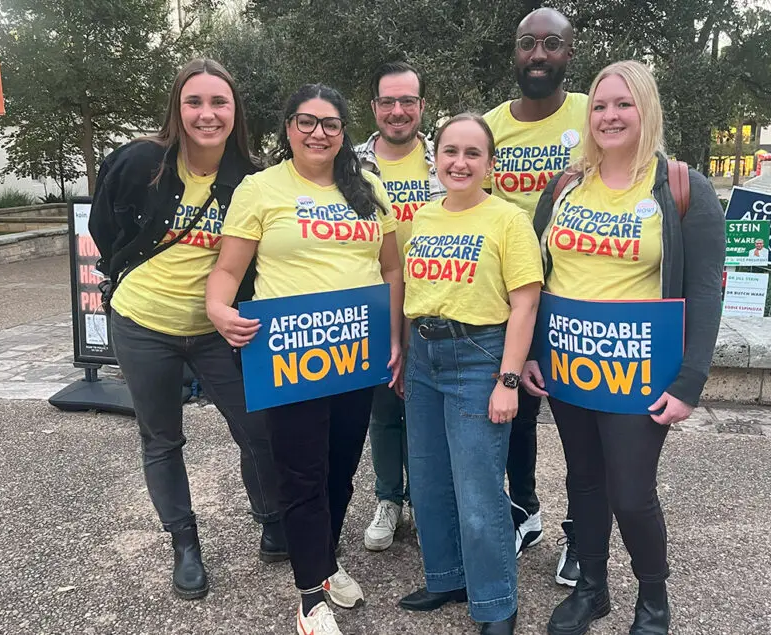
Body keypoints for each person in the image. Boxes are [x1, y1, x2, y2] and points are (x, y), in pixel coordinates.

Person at [523, 60, 725, 635]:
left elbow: (705, 293)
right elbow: (539, 276)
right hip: (568, 364)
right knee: (583, 482)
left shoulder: (683, 188)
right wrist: (534, 350)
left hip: (641, 371)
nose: (610, 116)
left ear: (646, 111)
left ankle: (653, 602)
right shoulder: (564, 185)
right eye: (601, 106)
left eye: (623, 105)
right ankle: (592, 589)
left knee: (632, 494)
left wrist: (690, 382)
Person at [206, 84, 403, 635]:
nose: (319, 132)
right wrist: (219, 309)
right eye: (307, 121)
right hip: (290, 352)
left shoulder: (367, 187)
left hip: (355, 350)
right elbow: (226, 270)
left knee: (341, 470)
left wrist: (392, 336)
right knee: (300, 472)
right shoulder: (260, 188)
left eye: (331, 124)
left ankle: (326, 560)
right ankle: (310, 595)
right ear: (288, 127)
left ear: (344, 132)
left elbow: (391, 269)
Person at [88, 59, 286, 601]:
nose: (207, 114)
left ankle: (272, 521)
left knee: (257, 428)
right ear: (177, 108)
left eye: (219, 103)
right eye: (194, 102)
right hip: (142, 323)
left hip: (219, 329)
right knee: (162, 439)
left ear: (235, 111)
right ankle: (185, 544)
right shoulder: (138, 161)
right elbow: (103, 227)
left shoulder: (251, 177)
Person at [397, 113, 543, 635]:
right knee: (430, 481)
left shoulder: (507, 220)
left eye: (472, 153)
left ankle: (497, 604)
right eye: (450, 151)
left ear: (490, 163)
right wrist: (403, 350)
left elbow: (525, 304)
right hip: (424, 355)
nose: (459, 162)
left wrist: (507, 382)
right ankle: (446, 577)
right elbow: (408, 289)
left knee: (479, 490)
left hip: (480, 357)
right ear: (435, 158)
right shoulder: (422, 217)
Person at [482, 6, 589, 580]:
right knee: (516, 416)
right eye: (528, 44)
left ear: (569, 53)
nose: (539, 54)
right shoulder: (493, 125)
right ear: (515, 53)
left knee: (578, 422)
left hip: (576, 294)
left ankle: (582, 532)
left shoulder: (593, 115)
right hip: (510, 297)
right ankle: (524, 510)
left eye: (551, 44)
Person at [354, 61, 445, 552]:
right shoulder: (348, 164)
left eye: (407, 100)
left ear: (422, 106)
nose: (397, 110)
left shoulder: (446, 157)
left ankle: (427, 503)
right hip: (376, 302)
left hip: (438, 304)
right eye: (387, 101)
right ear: (374, 108)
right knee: (385, 409)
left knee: (429, 413)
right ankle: (389, 499)